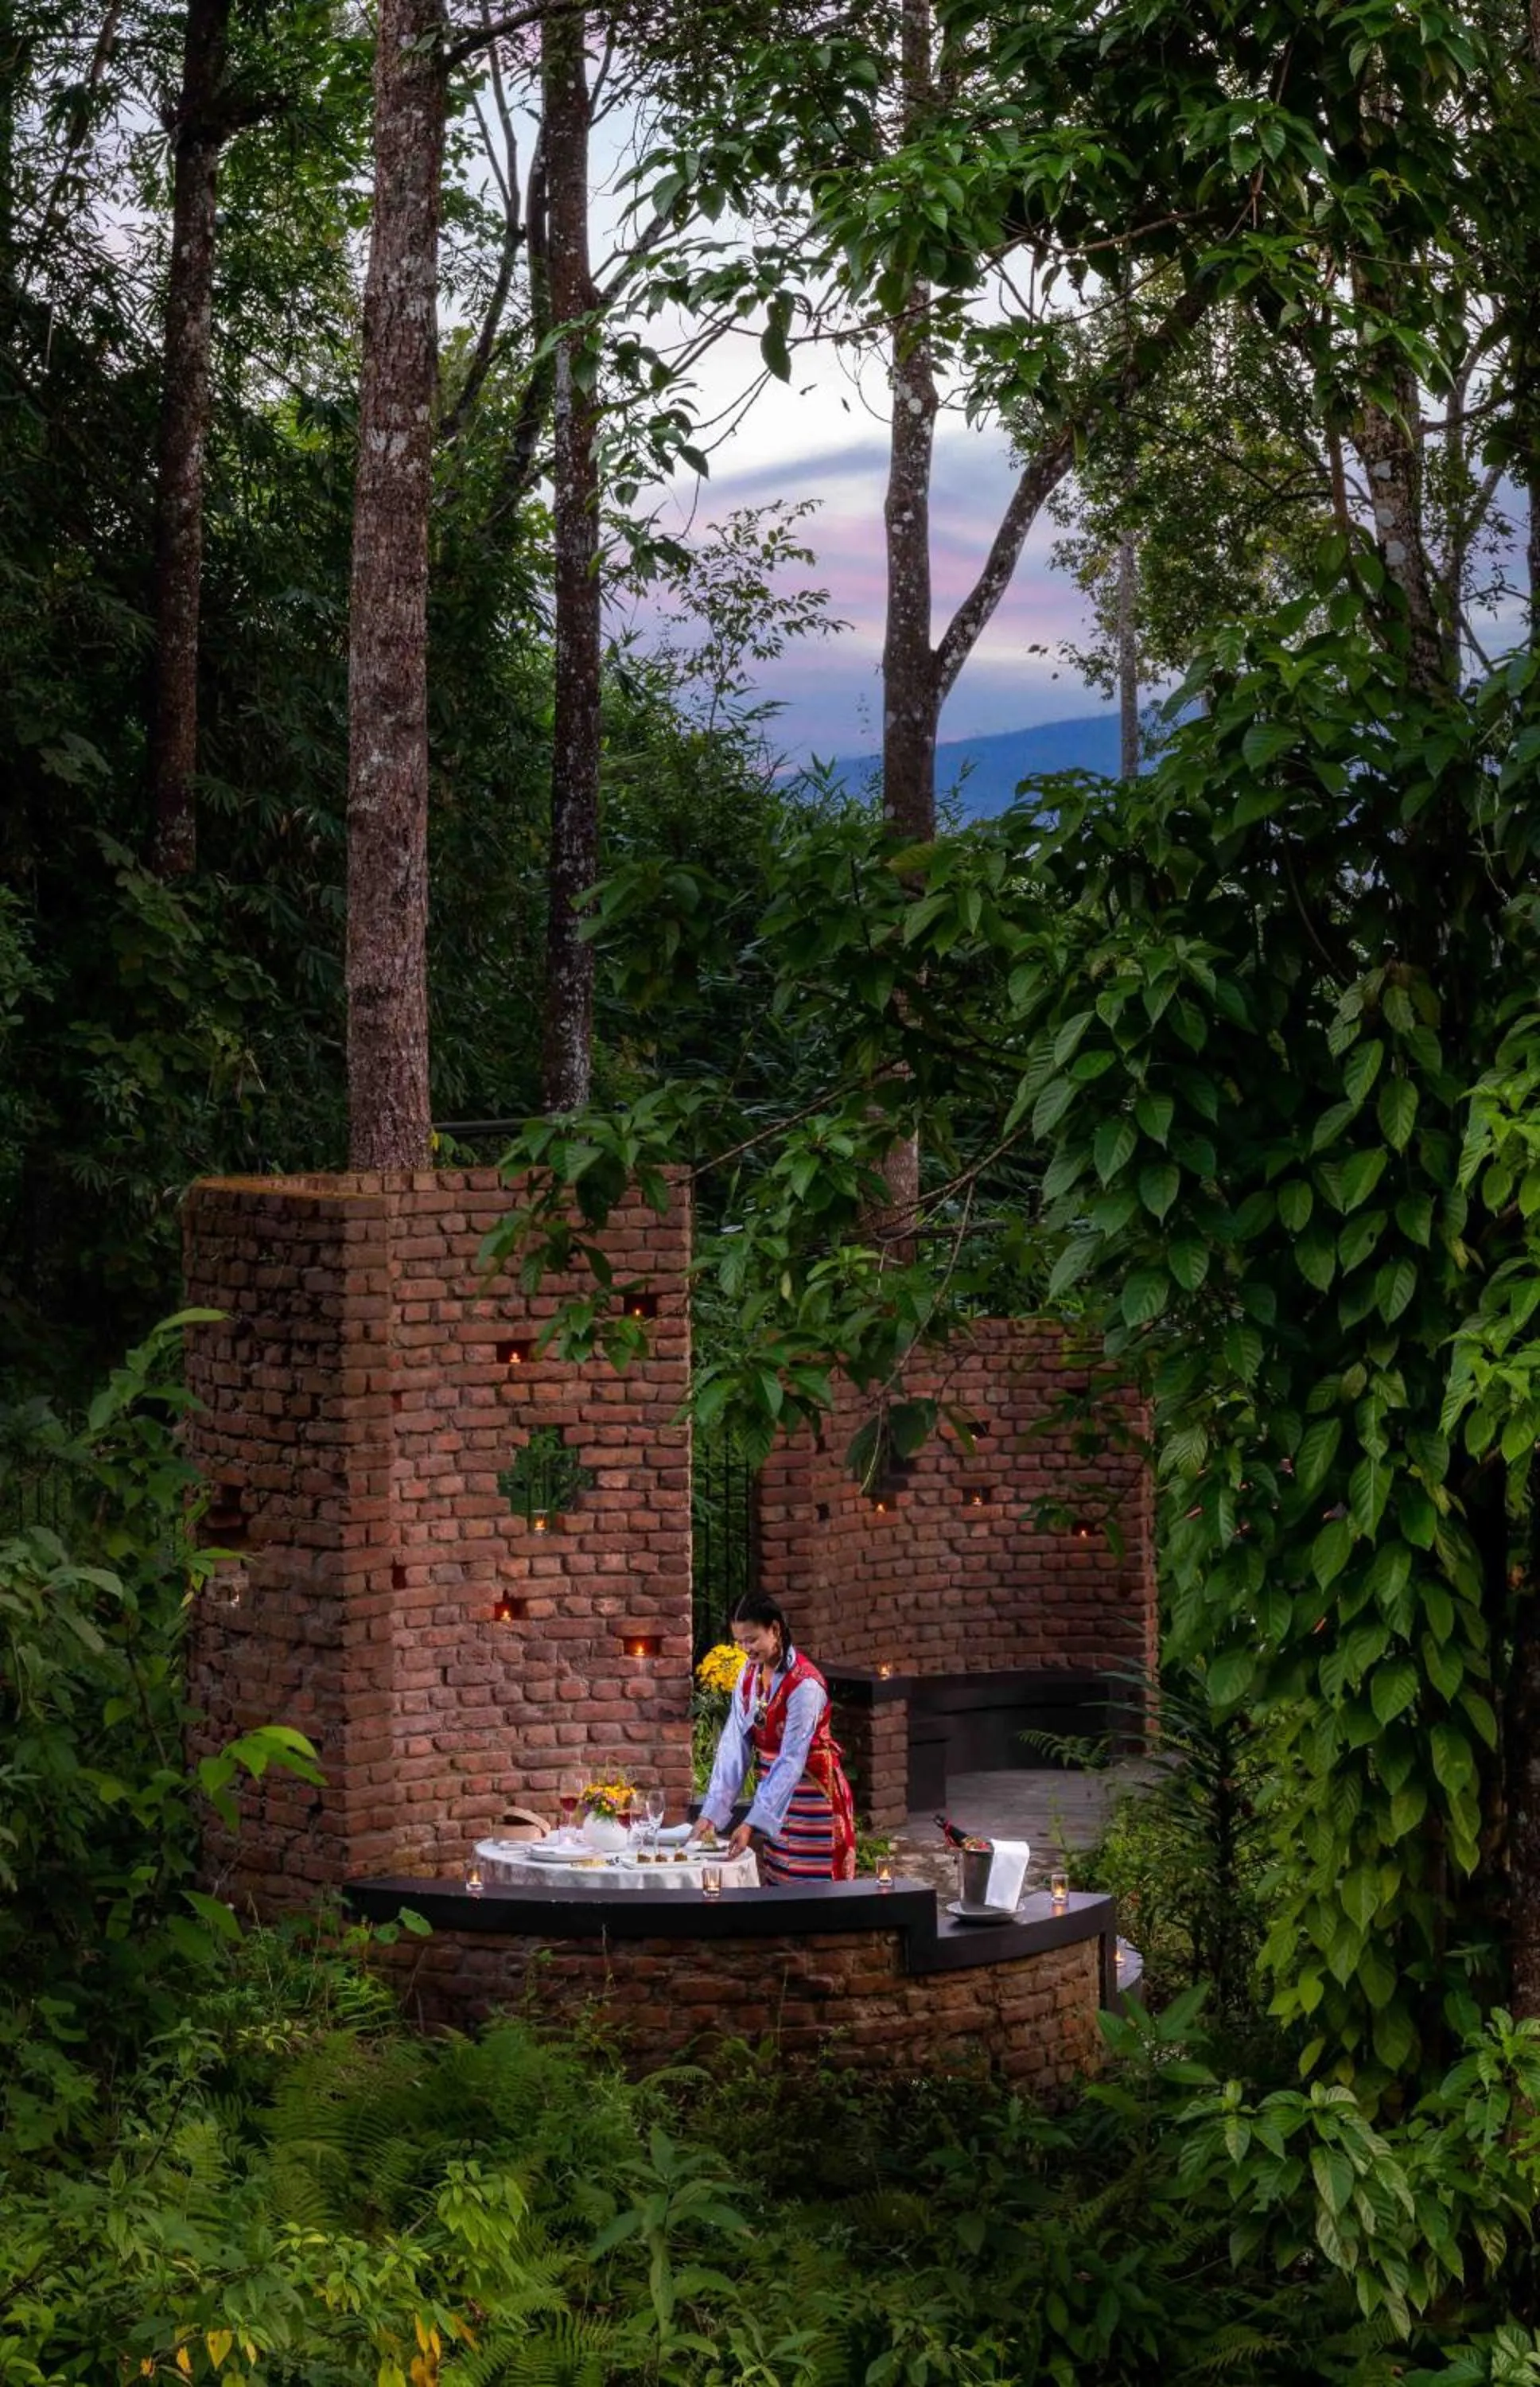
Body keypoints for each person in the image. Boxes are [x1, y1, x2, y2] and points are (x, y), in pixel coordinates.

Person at [697, 1595, 857, 1883]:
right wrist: (711, 1814)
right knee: (778, 1879)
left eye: (752, 1639)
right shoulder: (748, 1675)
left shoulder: (805, 1685)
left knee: (810, 1886)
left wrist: (751, 1823)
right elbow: (735, 1744)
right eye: (740, 1642)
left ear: (775, 1629)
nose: (746, 1649)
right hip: (773, 1792)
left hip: (812, 1796)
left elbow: (791, 1760)